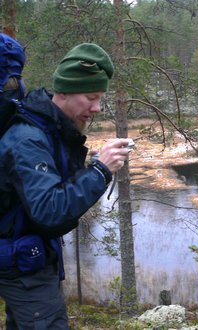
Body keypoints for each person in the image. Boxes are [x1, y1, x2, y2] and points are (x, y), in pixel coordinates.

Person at [0, 41, 131, 329]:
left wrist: (89, 169)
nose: (97, 108)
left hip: (27, 258)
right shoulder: (28, 138)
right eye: (91, 97)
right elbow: (50, 211)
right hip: (23, 269)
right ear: (65, 92)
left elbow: (45, 189)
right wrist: (99, 171)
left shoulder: (49, 127)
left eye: (100, 99)